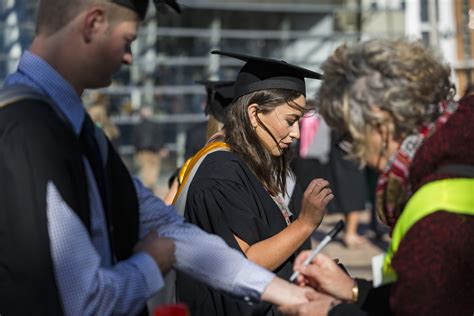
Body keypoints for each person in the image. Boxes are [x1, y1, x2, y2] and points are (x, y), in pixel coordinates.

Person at [0, 1, 318, 314]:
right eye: (128, 40)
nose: (129, 58)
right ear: (93, 22)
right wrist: (152, 263)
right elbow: (83, 301)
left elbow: (167, 225)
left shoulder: (75, 128)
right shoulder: (28, 133)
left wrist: (287, 294)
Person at [279, 39, 474, 315]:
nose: (358, 156)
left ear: (380, 126)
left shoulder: (438, 218)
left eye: (351, 138)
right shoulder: (457, 143)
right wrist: (355, 290)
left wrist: (330, 312)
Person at [175, 50, 334, 316]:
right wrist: (305, 223)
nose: (296, 133)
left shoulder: (251, 164)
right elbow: (243, 265)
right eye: (290, 121)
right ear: (254, 113)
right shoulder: (221, 173)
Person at [133, 105, 168, 194]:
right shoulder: (156, 125)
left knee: (145, 174)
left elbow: (135, 141)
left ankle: (146, 192)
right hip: (154, 153)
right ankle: (149, 191)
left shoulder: (138, 126)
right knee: (152, 174)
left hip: (142, 153)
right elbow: (159, 138)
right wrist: (161, 148)